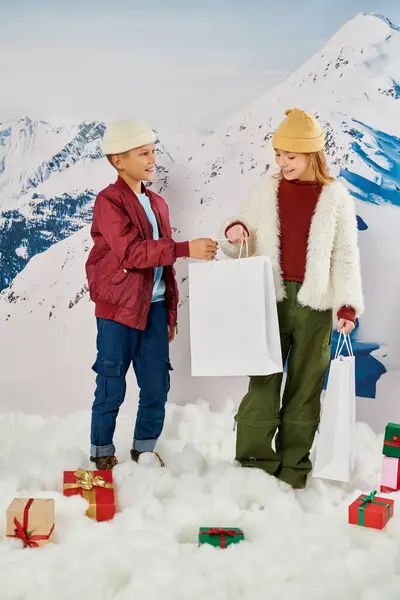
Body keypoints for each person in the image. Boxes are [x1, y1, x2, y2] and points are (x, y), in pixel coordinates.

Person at [219, 108, 364, 489]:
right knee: (263, 381)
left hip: (316, 306)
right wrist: (234, 233)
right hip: (272, 298)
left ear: (312, 155)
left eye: (291, 156)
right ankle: (253, 464)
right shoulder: (267, 191)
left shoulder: (335, 198)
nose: (283, 163)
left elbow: (346, 254)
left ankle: (294, 467)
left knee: (305, 387)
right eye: (279, 155)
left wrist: (347, 305)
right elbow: (244, 232)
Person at [86, 120, 217, 470]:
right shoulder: (109, 202)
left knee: (157, 385)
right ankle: (102, 453)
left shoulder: (157, 202)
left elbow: (164, 267)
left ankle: (143, 450)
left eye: (153, 151)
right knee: (111, 385)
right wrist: (186, 247)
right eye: (143, 153)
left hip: (155, 309)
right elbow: (132, 253)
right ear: (118, 160)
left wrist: (170, 314)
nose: (152, 159)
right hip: (117, 310)